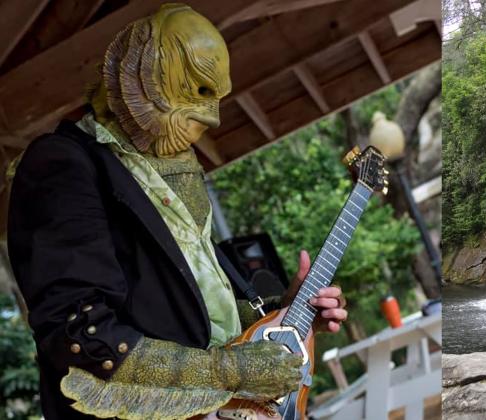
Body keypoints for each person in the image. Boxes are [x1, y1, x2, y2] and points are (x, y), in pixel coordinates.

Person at [7, 4, 347, 419]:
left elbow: (191, 313)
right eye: (199, 90)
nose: (216, 118)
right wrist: (229, 371)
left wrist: (283, 312)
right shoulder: (62, 163)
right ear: (142, 72)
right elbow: (81, 334)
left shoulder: (161, 165)